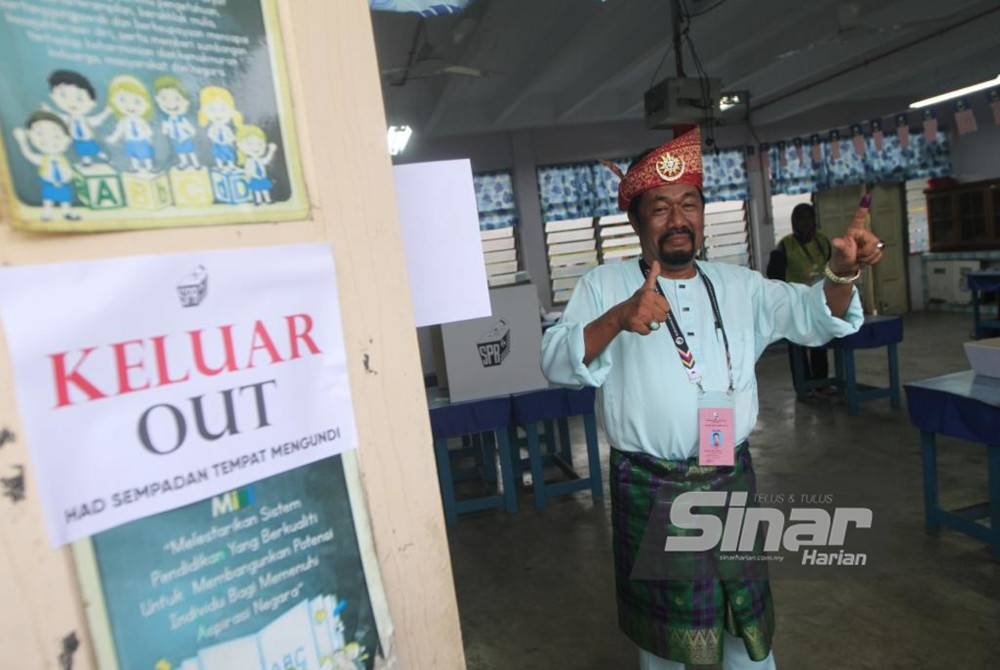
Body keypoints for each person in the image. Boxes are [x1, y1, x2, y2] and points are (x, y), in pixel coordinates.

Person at [540, 127, 882, 670]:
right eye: (660, 208)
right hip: (651, 487)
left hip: (729, 477)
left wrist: (841, 271)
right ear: (637, 221)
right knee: (669, 648)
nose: (678, 219)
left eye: (690, 205)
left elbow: (815, 315)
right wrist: (619, 318)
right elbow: (556, 360)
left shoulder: (739, 283)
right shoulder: (603, 285)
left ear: (701, 214)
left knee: (745, 630)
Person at [766, 204, 833, 390]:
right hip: (796, 305)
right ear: (794, 222)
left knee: (819, 344)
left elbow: (831, 267)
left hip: (819, 302)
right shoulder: (785, 246)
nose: (805, 223)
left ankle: (822, 383)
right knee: (798, 348)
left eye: (808, 218)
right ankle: (804, 387)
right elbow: (774, 276)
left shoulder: (823, 242)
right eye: (800, 219)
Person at [12, 111, 80, 221]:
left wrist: (68, 176)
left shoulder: (63, 159)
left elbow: (67, 170)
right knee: (48, 199)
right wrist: (22, 142)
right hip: (49, 183)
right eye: (39, 134)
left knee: (65, 199)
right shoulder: (43, 159)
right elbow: (29, 155)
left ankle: (67, 213)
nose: (49, 140)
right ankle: (47, 213)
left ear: (67, 139)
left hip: (63, 183)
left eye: (56, 135)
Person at [42, 70, 112, 166]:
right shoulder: (68, 119)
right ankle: (87, 162)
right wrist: (49, 111)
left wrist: (107, 112)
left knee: (95, 150)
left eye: (79, 98)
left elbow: (96, 119)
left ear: (92, 102)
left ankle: (104, 157)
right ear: (53, 96)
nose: (72, 102)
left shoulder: (85, 119)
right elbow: (58, 117)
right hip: (77, 140)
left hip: (88, 139)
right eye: (63, 96)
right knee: (82, 152)